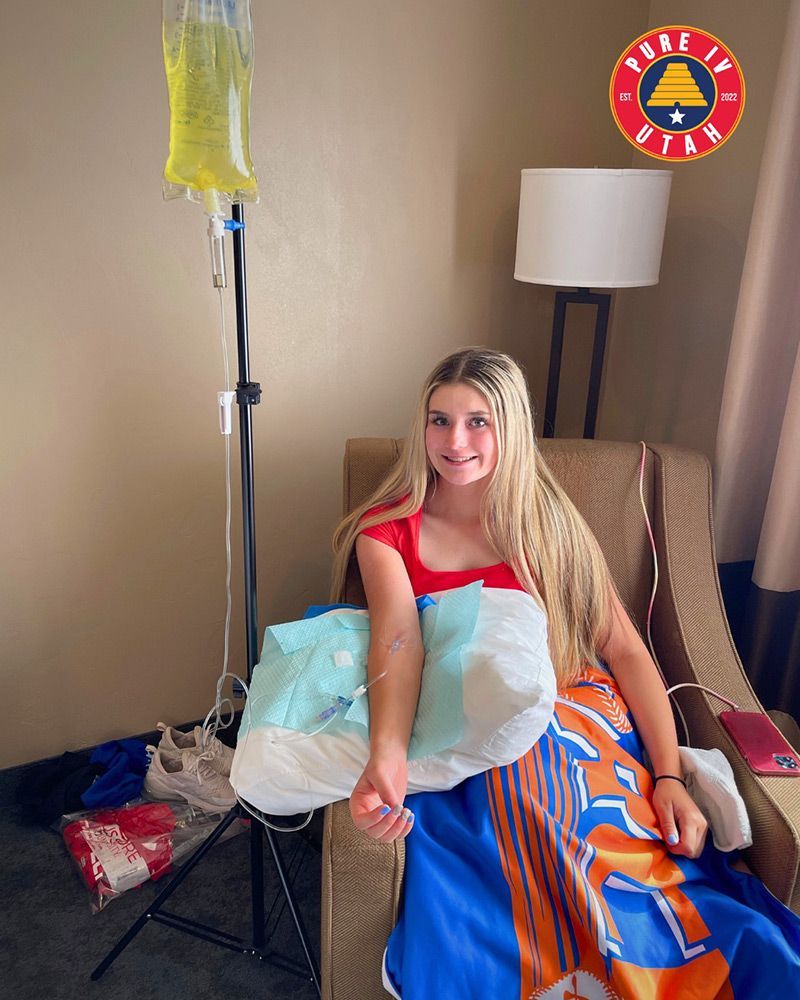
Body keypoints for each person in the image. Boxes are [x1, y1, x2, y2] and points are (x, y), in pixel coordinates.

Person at [330, 348, 800, 999]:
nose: (455, 441)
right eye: (439, 420)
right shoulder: (390, 531)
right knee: (501, 834)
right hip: (465, 710)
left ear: (511, 427)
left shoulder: (548, 526)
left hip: (573, 705)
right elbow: (399, 643)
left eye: (478, 421)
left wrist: (669, 777)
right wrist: (386, 754)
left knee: (593, 833)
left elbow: (628, 652)